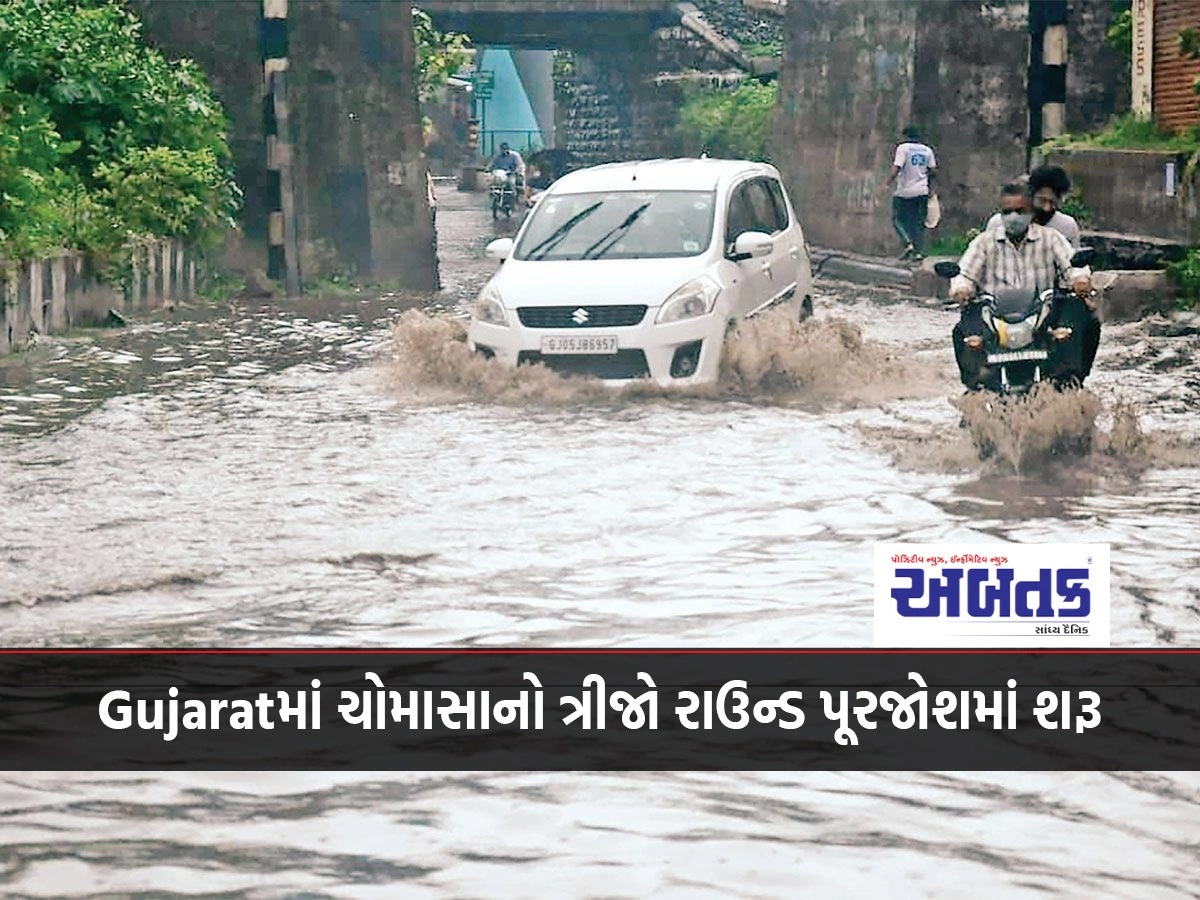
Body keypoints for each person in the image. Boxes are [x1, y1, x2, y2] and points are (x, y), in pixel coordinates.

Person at [950, 180, 1093, 390]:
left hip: (1043, 315)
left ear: (1031, 212)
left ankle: (1070, 381)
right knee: (962, 332)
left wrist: (1080, 280)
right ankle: (976, 386)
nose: (1013, 217)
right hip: (992, 318)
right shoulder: (984, 242)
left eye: (1020, 210)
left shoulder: (1051, 239)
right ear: (1000, 214)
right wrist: (961, 289)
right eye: (1007, 211)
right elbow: (965, 273)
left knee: (1083, 323)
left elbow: (1071, 263)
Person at [985, 164, 1081, 248]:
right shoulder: (1000, 223)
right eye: (1042, 200)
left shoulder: (1067, 226)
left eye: (1053, 203)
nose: (1047, 208)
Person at [884, 125, 937, 261]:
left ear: (906, 136)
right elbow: (933, 171)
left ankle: (908, 244)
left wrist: (886, 183)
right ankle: (918, 252)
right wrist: (930, 188)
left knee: (897, 219)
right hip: (922, 191)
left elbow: (897, 167)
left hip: (904, 191)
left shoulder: (903, 148)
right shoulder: (927, 150)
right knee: (918, 222)